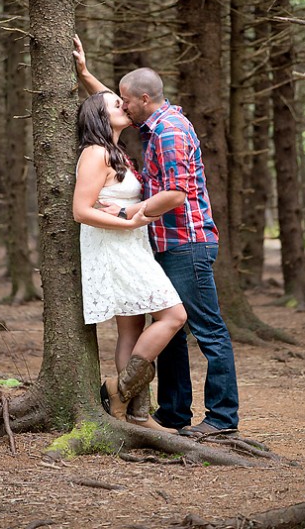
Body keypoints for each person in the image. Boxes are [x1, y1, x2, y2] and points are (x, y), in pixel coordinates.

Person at [72, 35, 240, 437]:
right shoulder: (151, 122)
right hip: (158, 242)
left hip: (187, 241)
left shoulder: (170, 133)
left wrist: (131, 213)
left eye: (126, 102)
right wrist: (84, 74)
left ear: (143, 100)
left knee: (205, 328)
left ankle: (221, 419)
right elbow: (111, 102)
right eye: (119, 104)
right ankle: (173, 413)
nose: (121, 105)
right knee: (173, 334)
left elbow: (176, 194)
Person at [73, 89, 187, 433]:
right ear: (99, 116)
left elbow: (137, 96)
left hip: (133, 246)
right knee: (174, 315)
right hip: (114, 247)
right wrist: (127, 222)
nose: (123, 106)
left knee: (132, 328)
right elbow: (81, 210)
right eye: (114, 104)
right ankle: (118, 393)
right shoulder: (95, 154)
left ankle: (136, 416)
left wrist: (85, 72)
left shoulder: (115, 151)